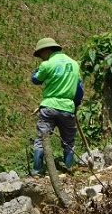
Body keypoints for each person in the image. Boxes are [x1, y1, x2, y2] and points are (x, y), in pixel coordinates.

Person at [30, 37, 82, 177]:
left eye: (40, 54)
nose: (41, 58)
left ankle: (37, 172)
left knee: (41, 139)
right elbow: (79, 88)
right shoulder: (74, 64)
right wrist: (74, 105)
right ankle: (69, 169)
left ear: (46, 50)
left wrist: (36, 71)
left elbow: (36, 80)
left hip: (48, 107)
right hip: (67, 108)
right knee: (69, 141)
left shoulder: (47, 65)